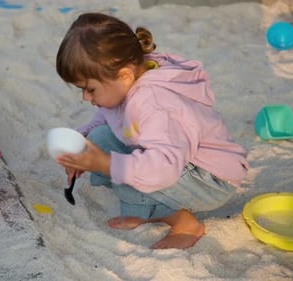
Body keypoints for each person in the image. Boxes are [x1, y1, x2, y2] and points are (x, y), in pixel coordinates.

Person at [55, 13, 249, 249]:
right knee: (99, 141)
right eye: (81, 90)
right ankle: (148, 209)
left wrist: (106, 163)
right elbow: (109, 115)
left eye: (91, 89)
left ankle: (184, 223)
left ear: (124, 75)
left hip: (210, 179)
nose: (86, 98)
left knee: (119, 162)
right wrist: (83, 139)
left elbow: (164, 168)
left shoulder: (154, 104)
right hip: (183, 161)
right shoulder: (131, 76)